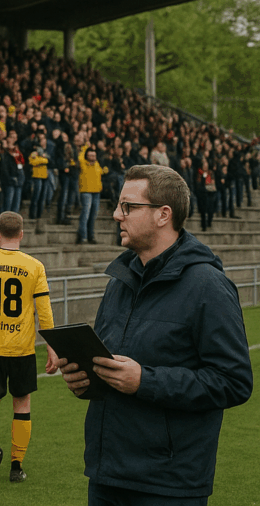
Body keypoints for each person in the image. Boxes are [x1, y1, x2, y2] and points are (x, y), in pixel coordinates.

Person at [60, 164, 252, 505]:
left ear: (163, 214)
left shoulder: (208, 286)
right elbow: (112, 362)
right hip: (107, 475)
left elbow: (233, 381)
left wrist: (144, 381)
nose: (116, 215)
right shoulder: (120, 280)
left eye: (128, 207)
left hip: (169, 484)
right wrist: (86, 380)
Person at [0, 211, 60, 489]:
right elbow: (45, 312)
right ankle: (16, 467)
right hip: (22, 349)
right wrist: (52, 348)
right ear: (21, 234)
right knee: (22, 404)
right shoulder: (35, 266)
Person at [77, 146, 107, 244]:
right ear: (87, 156)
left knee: (93, 215)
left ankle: (91, 236)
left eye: (94, 155)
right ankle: (83, 236)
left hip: (96, 192)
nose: (93, 157)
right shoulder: (83, 163)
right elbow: (80, 157)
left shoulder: (97, 164)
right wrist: (86, 145)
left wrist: (105, 170)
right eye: (90, 155)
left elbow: (101, 172)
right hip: (86, 191)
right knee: (85, 214)